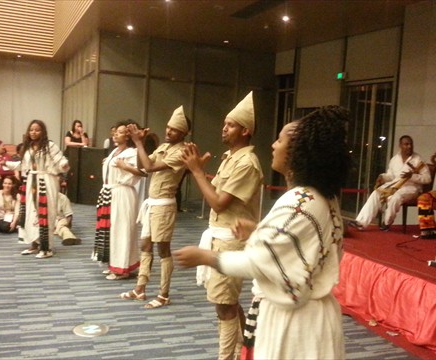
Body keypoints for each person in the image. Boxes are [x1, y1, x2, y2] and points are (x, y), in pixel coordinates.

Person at [174, 105, 351, 360]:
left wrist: (206, 257)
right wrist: (259, 231)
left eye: (280, 139)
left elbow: (260, 262)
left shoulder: (299, 202)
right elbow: (303, 243)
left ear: (297, 152)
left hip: (294, 324)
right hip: (312, 318)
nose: (273, 145)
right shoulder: (322, 198)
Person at [181, 91, 263, 360]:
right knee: (227, 303)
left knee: (224, 306)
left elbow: (218, 203)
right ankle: (246, 351)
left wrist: (195, 172)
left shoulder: (247, 163)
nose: (224, 128)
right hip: (220, 237)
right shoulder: (231, 157)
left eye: (230, 125)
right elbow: (215, 193)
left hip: (231, 240)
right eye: (225, 124)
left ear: (245, 131)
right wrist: (200, 171)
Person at [118, 106, 190, 309]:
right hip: (152, 204)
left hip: (165, 205)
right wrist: (142, 143)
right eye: (168, 128)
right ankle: (140, 288)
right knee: (145, 246)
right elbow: (145, 164)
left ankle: (163, 293)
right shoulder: (163, 147)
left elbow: (149, 169)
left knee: (163, 250)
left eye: (174, 129)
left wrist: (138, 142)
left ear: (184, 133)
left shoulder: (182, 151)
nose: (168, 132)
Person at [3, 120, 70, 258]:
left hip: (46, 181)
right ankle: (34, 244)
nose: (33, 132)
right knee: (30, 213)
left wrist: (64, 165)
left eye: (37, 130)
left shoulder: (50, 146)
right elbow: (22, 166)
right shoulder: (27, 147)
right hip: (30, 182)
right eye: (31, 130)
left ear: (43, 132)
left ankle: (47, 248)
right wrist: (7, 163)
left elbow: (60, 160)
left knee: (46, 213)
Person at [91, 120, 145, 279]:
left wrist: (125, 167)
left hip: (122, 193)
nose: (115, 134)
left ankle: (122, 268)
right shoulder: (114, 152)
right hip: (110, 193)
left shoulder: (132, 153)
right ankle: (114, 263)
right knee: (110, 230)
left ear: (128, 136)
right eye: (115, 132)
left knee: (121, 230)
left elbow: (143, 172)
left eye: (120, 132)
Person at [354, 135, 431, 230]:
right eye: (406, 144)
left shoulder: (418, 160)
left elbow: (427, 178)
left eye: (411, 144)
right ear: (400, 145)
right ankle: (361, 222)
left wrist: (412, 176)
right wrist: (382, 177)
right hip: (394, 185)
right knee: (376, 193)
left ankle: (386, 223)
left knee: (395, 197)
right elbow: (390, 176)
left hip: (411, 188)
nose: (409, 146)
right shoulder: (395, 159)